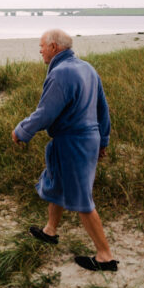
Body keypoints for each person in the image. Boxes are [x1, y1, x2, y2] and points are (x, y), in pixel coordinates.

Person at [14, 29, 116, 272]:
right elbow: (103, 108)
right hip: (86, 139)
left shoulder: (61, 73)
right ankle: (50, 231)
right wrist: (103, 140)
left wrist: (21, 131)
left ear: (54, 47)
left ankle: (105, 257)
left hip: (74, 143)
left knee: (82, 199)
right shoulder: (86, 68)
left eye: (41, 46)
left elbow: (45, 113)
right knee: (57, 183)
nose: (39, 50)